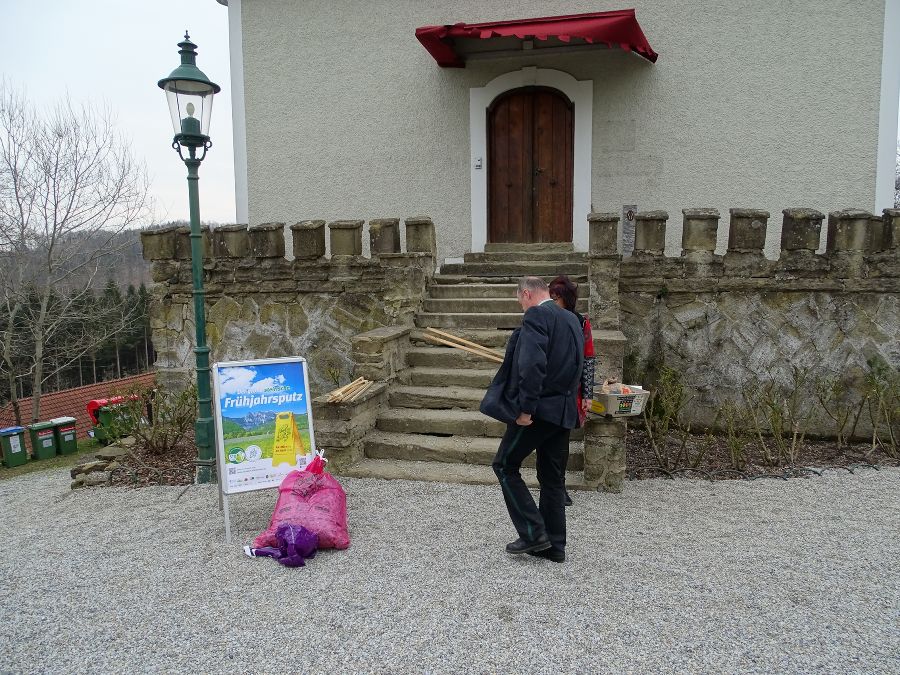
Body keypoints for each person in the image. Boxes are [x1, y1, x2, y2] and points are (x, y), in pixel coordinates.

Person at [484, 276, 584, 563]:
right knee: (552, 480)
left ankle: (532, 532)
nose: (521, 305)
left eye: (519, 300)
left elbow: (532, 365)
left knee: (504, 465)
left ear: (527, 294)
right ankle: (555, 547)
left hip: (539, 411)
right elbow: (579, 363)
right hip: (563, 411)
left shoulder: (536, 317)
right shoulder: (572, 319)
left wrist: (526, 409)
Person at [549, 275, 596, 507]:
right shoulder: (544, 318)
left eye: (555, 298)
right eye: (550, 297)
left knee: (562, 441)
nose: (551, 301)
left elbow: (588, 358)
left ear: (566, 298)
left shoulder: (581, 323)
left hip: (570, 393)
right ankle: (549, 485)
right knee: (545, 440)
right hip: (546, 391)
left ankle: (559, 486)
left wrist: (587, 395)